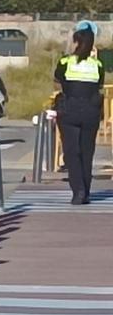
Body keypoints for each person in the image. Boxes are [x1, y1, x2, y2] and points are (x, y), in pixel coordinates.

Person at [53, 22, 105, 205]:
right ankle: (86, 191)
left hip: (70, 110)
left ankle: (78, 191)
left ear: (76, 43)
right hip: (91, 111)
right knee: (87, 151)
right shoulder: (97, 64)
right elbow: (98, 85)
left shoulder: (65, 62)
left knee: (71, 152)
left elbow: (57, 80)